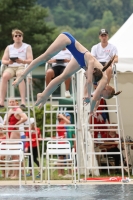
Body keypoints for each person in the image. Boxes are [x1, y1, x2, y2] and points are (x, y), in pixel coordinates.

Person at [12, 32, 116, 111]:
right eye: (103, 95)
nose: (101, 95)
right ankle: (23, 74)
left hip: (79, 59)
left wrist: (92, 110)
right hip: (67, 39)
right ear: (91, 72)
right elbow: (89, 83)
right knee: (45, 57)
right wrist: (88, 96)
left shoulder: (96, 78)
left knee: (63, 77)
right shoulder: (92, 63)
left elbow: (96, 97)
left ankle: (44, 95)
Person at [0, 29, 33, 109]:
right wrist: (9, 62)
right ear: (13, 38)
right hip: (11, 67)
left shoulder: (27, 47)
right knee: (4, 76)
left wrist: (23, 61)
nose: (18, 37)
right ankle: (1, 101)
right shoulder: (9, 47)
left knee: (20, 75)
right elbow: (3, 60)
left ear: (22, 37)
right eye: (16, 36)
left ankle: (23, 101)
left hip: (22, 66)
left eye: (19, 35)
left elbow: (31, 59)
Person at [3, 97, 28, 179]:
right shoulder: (10, 111)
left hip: (14, 131)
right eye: (10, 102)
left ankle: (16, 174)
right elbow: (6, 122)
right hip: (10, 131)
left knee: (15, 154)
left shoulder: (18, 110)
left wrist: (18, 123)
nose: (11, 103)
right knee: (12, 154)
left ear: (16, 102)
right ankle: (14, 173)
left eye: (13, 102)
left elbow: (25, 118)